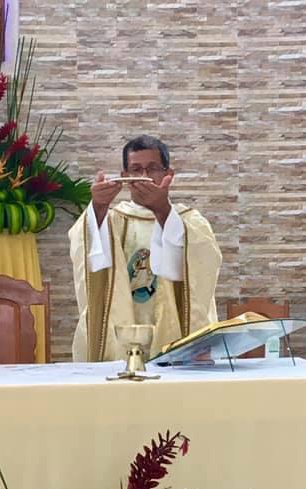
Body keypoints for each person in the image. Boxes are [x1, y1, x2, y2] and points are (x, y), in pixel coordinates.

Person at [68, 135, 221, 361]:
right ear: (124, 177)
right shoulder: (110, 220)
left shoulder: (189, 221)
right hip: (122, 333)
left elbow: (203, 264)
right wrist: (98, 208)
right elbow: (89, 254)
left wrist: (162, 211)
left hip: (173, 331)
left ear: (168, 174)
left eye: (153, 169)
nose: (144, 177)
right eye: (136, 169)